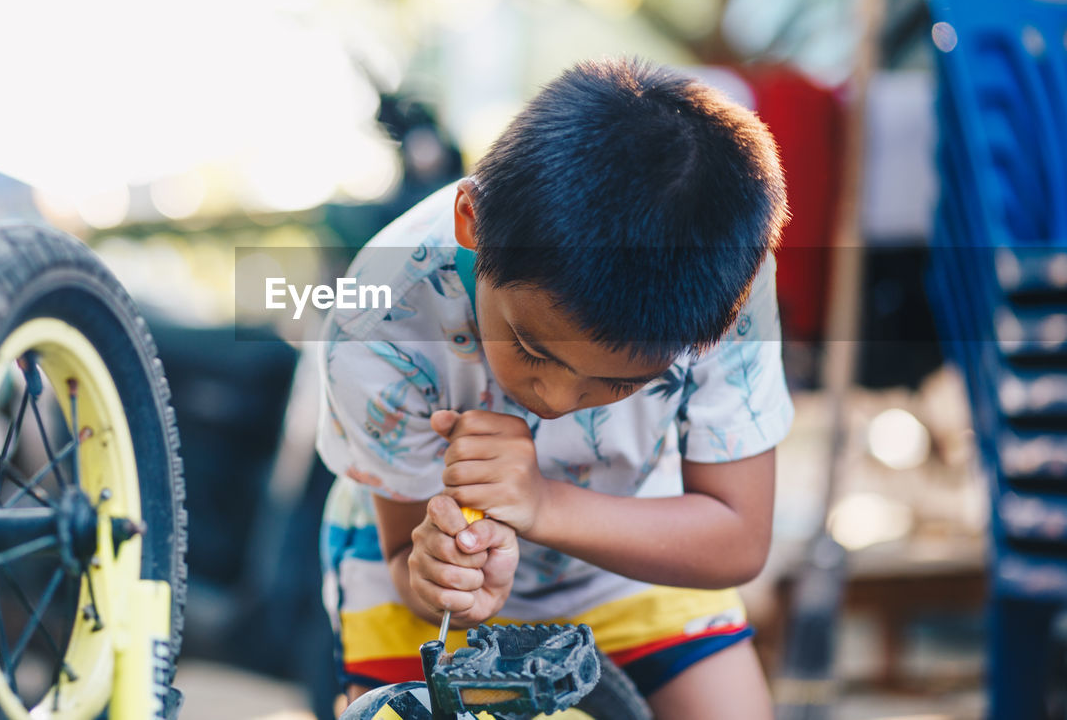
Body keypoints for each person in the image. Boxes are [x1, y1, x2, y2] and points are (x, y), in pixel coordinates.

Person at [315, 57, 792, 719]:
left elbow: (739, 534)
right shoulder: (379, 318)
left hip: (636, 559)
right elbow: (404, 554)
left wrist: (542, 504)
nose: (557, 399)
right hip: (413, 595)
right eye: (532, 347)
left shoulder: (719, 291)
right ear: (470, 223)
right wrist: (440, 575)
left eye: (622, 381)